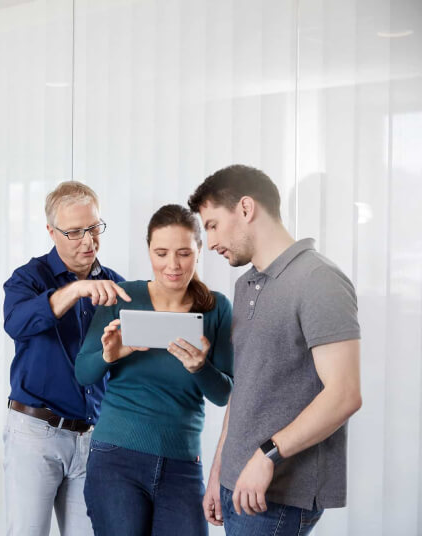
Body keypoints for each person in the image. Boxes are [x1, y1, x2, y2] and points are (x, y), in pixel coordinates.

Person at [188, 164, 362, 536]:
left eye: (213, 224)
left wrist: (268, 454)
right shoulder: (246, 284)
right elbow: (245, 386)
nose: (211, 241)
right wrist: (221, 467)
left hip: (278, 495)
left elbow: (345, 395)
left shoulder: (319, 280)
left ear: (246, 208)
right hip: (237, 486)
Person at [75, 204, 234, 536]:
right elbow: (83, 374)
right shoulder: (123, 296)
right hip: (116, 458)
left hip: (182, 464)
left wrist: (200, 367)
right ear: (148, 251)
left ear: (199, 251)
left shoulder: (216, 308)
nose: (172, 265)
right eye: (161, 253)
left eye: (183, 253)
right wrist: (109, 355)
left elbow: (223, 394)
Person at [3, 181, 130, 536]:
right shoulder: (27, 279)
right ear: (51, 231)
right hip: (36, 436)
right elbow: (16, 323)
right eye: (74, 232)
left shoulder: (116, 286)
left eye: (93, 228)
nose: (88, 242)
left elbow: (128, 368)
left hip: (93, 439)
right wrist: (75, 290)